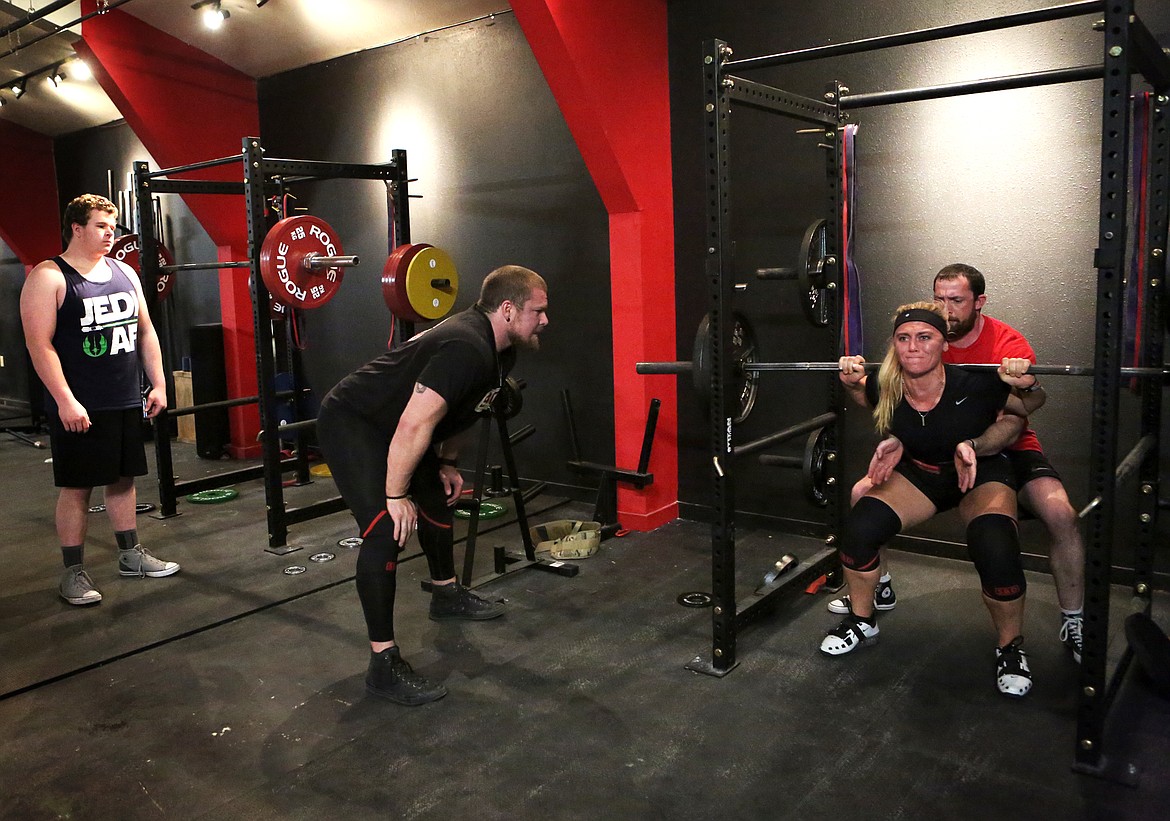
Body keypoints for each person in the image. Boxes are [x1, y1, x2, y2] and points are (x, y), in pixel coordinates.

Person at [316, 265, 549, 706]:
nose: (544, 320)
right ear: (507, 308)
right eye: (538, 310)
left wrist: (446, 462)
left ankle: (445, 594)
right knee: (387, 529)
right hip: (357, 423)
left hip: (403, 428)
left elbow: (466, 409)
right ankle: (382, 665)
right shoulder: (467, 346)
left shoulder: (501, 351)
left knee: (441, 499)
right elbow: (415, 421)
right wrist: (395, 494)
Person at [829, 264, 1085, 662]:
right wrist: (897, 435)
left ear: (978, 303)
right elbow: (885, 402)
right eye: (939, 299)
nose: (945, 309)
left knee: (1055, 514)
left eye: (956, 300)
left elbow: (1019, 416)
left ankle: (1072, 620)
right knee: (862, 499)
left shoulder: (1003, 348)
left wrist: (1024, 388)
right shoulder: (902, 364)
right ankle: (874, 593)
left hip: (1000, 447)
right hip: (934, 457)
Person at [20, 194, 179, 607]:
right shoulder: (49, 277)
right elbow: (40, 346)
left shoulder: (124, 271)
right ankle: (72, 573)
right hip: (80, 403)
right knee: (77, 487)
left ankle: (130, 555)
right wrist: (65, 401)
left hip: (125, 397)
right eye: (100, 226)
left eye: (113, 227)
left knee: (124, 480)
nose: (110, 234)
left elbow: (146, 332)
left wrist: (159, 384)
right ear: (77, 228)